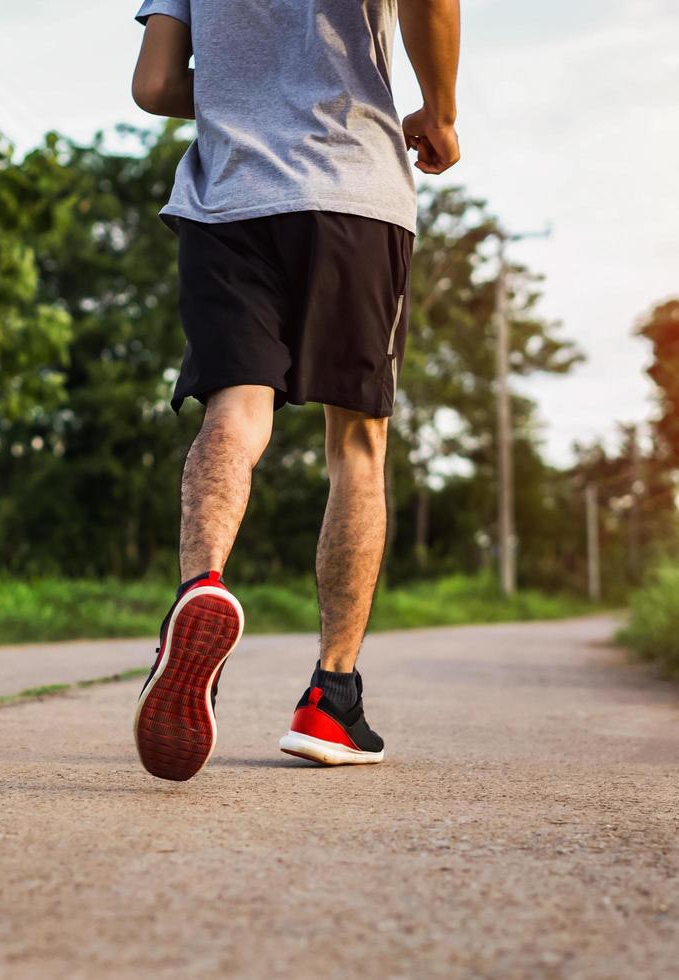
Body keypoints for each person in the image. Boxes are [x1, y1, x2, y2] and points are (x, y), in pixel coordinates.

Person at [129, 0, 461, 781]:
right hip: (351, 188)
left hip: (230, 199)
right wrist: (440, 113)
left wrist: (249, 93)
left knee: (235, 414)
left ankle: (200, 586)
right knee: (357, 443)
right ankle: (330, 698)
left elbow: (153, 85)